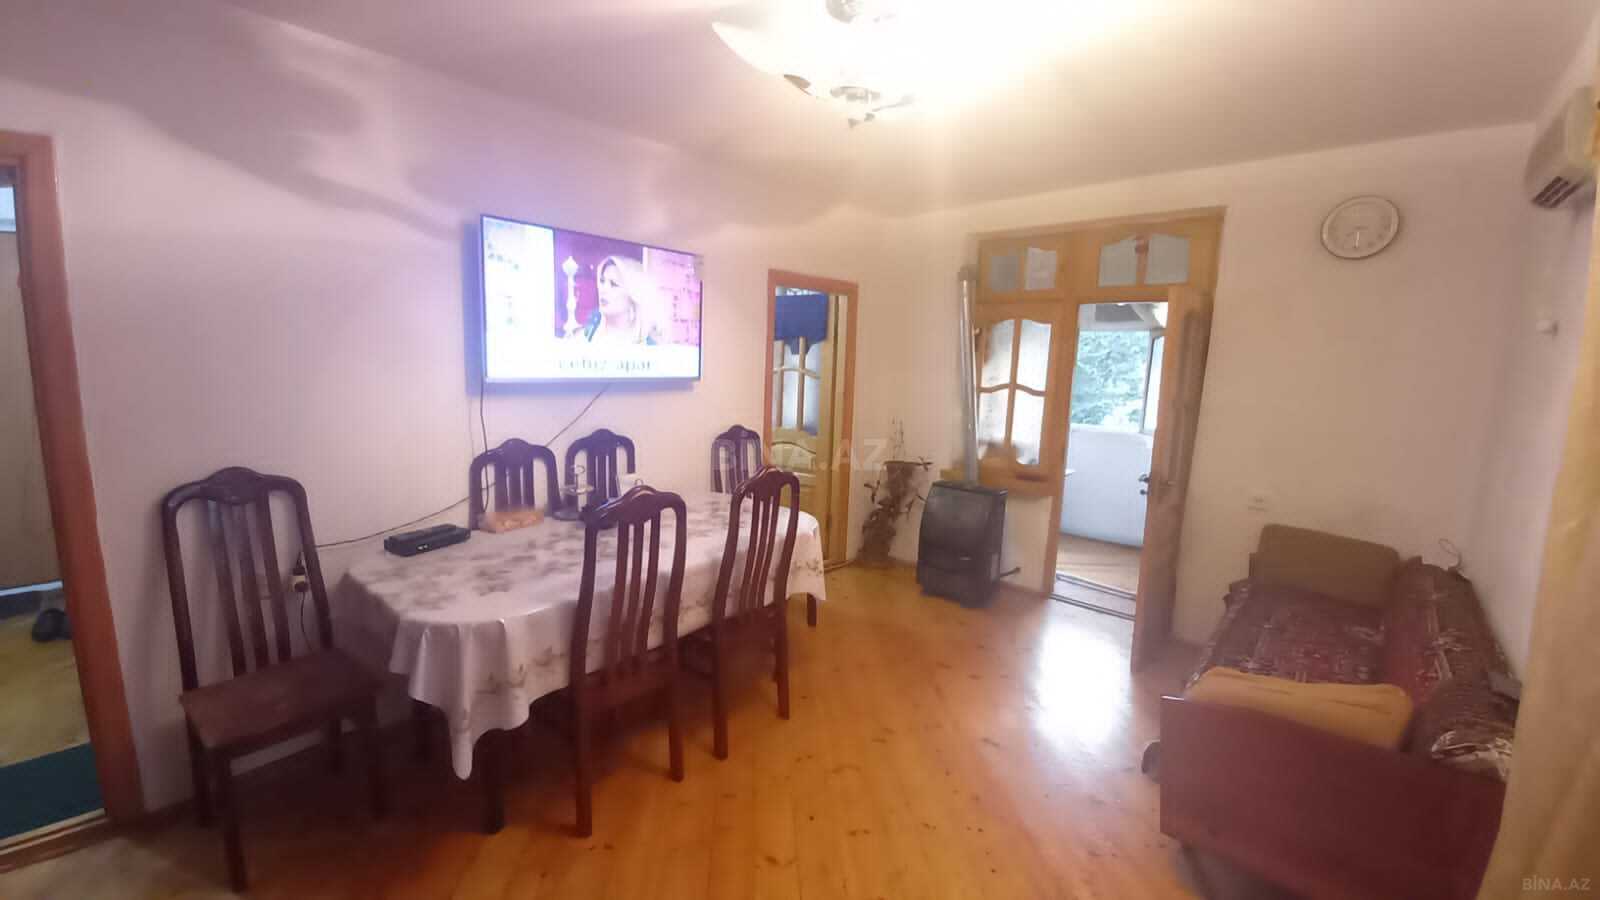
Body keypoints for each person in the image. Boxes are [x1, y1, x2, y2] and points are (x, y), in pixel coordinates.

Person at [577, 255, 667, 345]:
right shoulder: (586, 334)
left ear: (633, 295)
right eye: (602, 281)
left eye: (614, 284)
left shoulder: (648, 345)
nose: (603, 289)